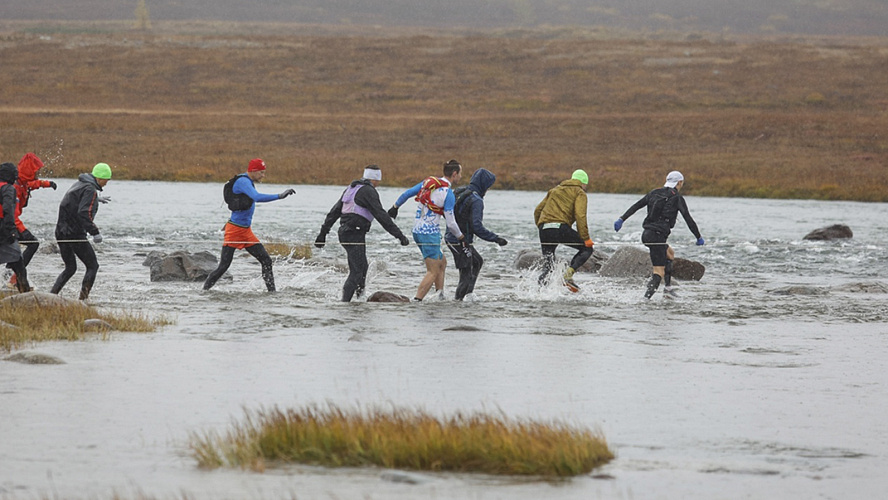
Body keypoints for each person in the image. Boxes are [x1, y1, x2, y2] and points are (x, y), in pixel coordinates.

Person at [314, 164, 410, 302]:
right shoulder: (369, 191)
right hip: (354, 233)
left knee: (362, 268)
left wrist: (322, 234)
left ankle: (360, 299)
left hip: (347, 232)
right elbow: (381, 215)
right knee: (357, 271)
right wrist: (399, 236)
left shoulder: (351, 188)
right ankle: (345, 303)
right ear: (375, 179)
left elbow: (334, 212)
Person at [203, 158, 295, 292]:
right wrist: (279, 196)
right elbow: (256, 197)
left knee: (266, 261)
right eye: (261, 173)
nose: (263, 176)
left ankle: (272, 293)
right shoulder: (243, 181)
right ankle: (204, 291)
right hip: (235, 231)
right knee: (223, 266)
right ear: (253, 171)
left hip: (246, 232)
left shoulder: (248, 181)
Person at [614, 170, 704, 299]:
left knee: (670, 253)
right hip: (657, 237)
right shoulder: (677, 198)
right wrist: (698, 237)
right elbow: (688, 219)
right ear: (680, 182)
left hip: (647, 234)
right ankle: (645, 299)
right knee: (658, 272)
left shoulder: (653, 193)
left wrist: (621, 219)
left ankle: (667, 288)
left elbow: (636, 206)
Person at [388, 159, 466, 301]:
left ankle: (439, 295)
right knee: (433, 271)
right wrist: (461, 237)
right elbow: (450, 222)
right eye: (460, 173)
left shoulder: (428, 183)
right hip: (429, 234)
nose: (461, 177)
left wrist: (395, 207)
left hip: (417, 230)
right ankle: (417, 301)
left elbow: (407, 194)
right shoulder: (448, 193)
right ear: (454, 174)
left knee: (442, 262)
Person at [49, 162, 112, 300]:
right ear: (100, 178)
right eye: (106, 180)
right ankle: (82, 301)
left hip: (61, 231)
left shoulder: (80, 183)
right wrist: (95, 232)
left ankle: (51, 296)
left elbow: (72, 201)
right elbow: (83, 213)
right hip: (74, 234)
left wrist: (95, 199)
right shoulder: (89, 189)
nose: (106, 184)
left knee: (70, 268)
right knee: (93, 266)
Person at [443, 168, 507, 301]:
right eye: (488, 186)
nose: (488, 190)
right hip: (458, 240)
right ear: (483, 184)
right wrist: (496, 239)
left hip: (454, 237)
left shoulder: (459, 191)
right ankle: (459, 302)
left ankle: (468, 296)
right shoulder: (476, 200)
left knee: (477, 261)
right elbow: (477, 227)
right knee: (467, 270)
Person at [533, 169, 594, 292]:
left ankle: (539, 292)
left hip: (544, 229)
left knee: (548, 265)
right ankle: (568, 276)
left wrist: (541, 227)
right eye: (585, 184)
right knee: (587, 249)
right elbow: (580, 216)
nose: (585, 187)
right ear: (583, 182)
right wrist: (586, 238)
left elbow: (538, 211)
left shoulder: (554, 190)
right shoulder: (579, 192)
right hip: (560, 228)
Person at [9, 153, 57, 288]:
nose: (38, 173)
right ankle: (14, 279)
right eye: (37, 171)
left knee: (21, 248)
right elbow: (12, 216)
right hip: (9, 224)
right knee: (32, 243)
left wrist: (47, 184)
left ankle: (12, 276)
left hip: (11, 223)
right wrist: (23, 231)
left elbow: (33, 183)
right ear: (29, 171)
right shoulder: (14, 188)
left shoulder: (24, 182)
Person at [0, 162, 31, 293]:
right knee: (19, 264)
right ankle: (26, 295)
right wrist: (12, 231)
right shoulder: (8, 189)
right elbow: (8, 209)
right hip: (3, 229)